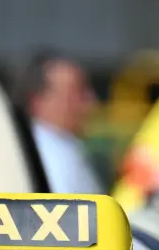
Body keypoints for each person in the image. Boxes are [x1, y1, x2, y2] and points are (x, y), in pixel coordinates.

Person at [11, 49, 105, 194]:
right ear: (37, 100)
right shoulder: (51, 158)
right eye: (76, 92)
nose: (90, 101)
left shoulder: (60, 147)